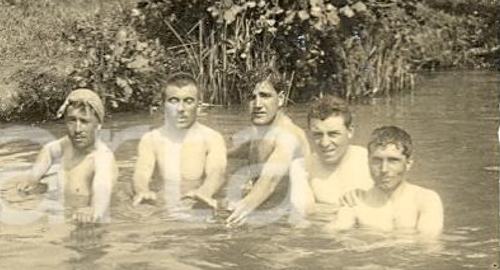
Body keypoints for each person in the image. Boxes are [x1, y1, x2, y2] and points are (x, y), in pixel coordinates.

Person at [17, 88, 117, 225]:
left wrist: (94, 209)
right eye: (71, 120)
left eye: (84, 121)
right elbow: (48, 151)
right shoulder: (67, 144)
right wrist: (34, 177)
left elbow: (102, 189)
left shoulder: (102, 158)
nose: (77, 129)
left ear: (98, 125)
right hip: (67, 213)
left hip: (91, 223)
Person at [226, 69, 310, 227]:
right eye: (252, 97)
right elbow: (243, 151)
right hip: (266, 210)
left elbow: (270, 180)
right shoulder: (261, 131)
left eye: (265, 96)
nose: (257, 104)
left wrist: (242, 207)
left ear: (280, 99)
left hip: (287, 224)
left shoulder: (288, 136)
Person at [326, 126, 444, 237]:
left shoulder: (426, 200)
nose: (384, 169)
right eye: (377, 160)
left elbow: (428, 244)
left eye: (393, 160)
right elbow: (331, 234)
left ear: (408, 163)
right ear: (368, 162)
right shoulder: (355, 201)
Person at [132, 72, 227, 210]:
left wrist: (204, 192)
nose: (180, 109)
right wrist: (142, 191)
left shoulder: (212, 138)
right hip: (163, 205)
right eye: (173, 101)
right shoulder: (151, 139)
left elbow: (217, 171)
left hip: (199, 203)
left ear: (199, 107)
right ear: (163, 105)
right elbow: (142, 172)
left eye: (188, 101)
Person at [289, 95, 373, 219]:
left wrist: (319, 209)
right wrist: (352, 210)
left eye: (333, 134)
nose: (325, 143)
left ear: (350, 131)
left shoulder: (371, 161)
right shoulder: (301, 167)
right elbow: (301, 210)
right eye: (317, 135)